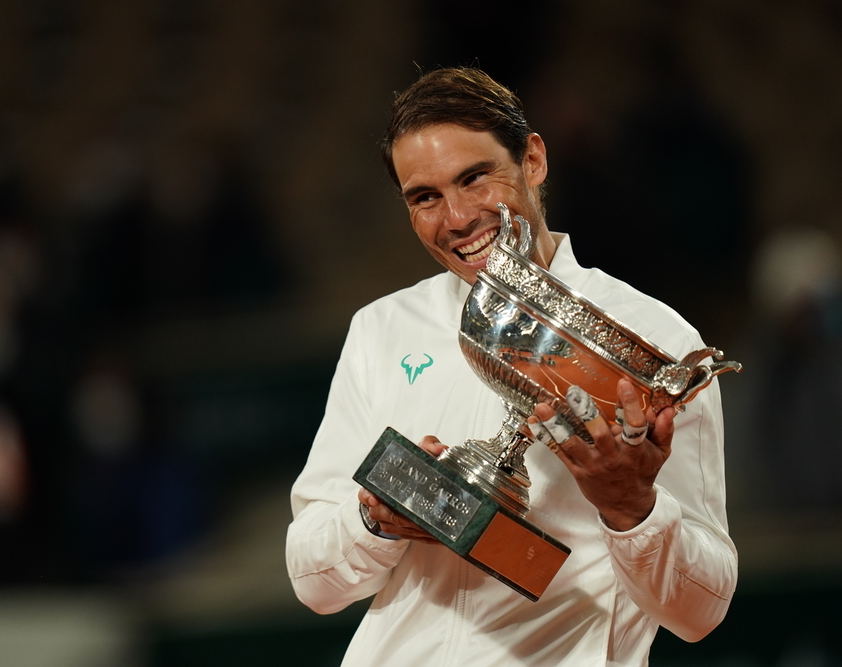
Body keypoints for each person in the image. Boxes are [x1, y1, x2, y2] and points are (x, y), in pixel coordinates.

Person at [285, 67, 736, 666]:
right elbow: (312, 580)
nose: (457, 218)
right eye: (425, 197)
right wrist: (374, 519)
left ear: (533, 160)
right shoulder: (383, 329)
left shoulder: (653, 341)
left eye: (474, 178)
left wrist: (634, 510)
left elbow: (700, 611)